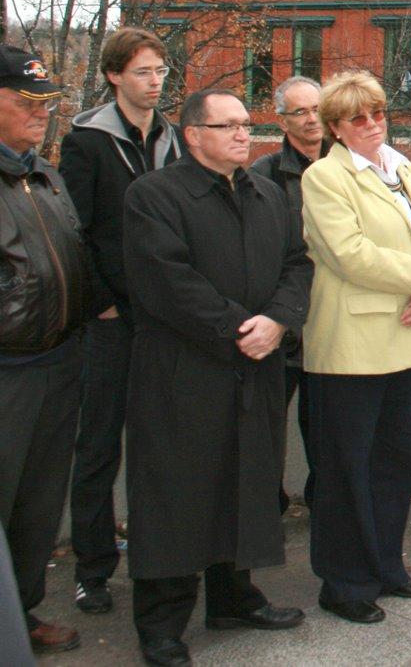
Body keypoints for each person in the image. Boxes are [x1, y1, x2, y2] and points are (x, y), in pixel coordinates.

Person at [122, 88, 312, 666]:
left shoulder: (265, 193)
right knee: (177, 493)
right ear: (192, 134)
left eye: (244, 124)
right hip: (183, 371)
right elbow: (165, 280)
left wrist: (278, 321)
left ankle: (234, 597)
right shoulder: (153, 195)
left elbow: (297, 264)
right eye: (225, 125)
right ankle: (162, 624)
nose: (240, 134)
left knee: (247, 482)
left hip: (256, 368)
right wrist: (240, 328)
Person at [300, 71, 411, 625]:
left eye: (377, 112)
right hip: (351, 345)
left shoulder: (402, 166)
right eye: (357, 118)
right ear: (336, 128)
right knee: (347, 469)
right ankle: (343, 583)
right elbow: (348, 252)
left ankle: (387, 566)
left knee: (394, 464)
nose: (371, 124)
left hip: (406, 333)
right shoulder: (324, 177)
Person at [59, 27, 185, 616]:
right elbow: (73, 232)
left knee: (161, 444)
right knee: (99, 447)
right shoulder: (86, 141)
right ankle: (92, 568)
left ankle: (161, 557)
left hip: (165, 318)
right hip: (110, 320)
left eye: (160, 71)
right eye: (142, 71)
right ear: (114, 75)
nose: (155, 82)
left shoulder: (174, 141)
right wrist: (103, 302)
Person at [0, 47, 90, 656]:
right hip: (7, 372)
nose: (42, 113)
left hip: (57, 362)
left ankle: (23, 613)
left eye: (47, 102)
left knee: (37, 506)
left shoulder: (44, 173)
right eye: (27, 102)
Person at [252, 75, 330, 513]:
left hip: (332, 318)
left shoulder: (349, 165)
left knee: (324, 428)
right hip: (282, 322)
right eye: (299, 112)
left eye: (316, 108)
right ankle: (268, 507)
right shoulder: (263, 175)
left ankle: (324, 503)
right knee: (267, 429)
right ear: (283, 122)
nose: (311, 119)